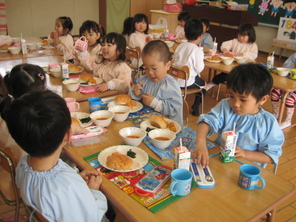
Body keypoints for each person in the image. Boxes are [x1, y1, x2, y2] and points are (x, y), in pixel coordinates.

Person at [5, 90, 111, 221]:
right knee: (113, 207)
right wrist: (92, 191)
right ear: (68, 135)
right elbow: (91, 217)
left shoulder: (22, 164)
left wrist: (75, 179)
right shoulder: (67, 189)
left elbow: (50, 192)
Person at [192, 63, 284, 168]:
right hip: (219, 161)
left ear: (263, 99)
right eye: (231, 96)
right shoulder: (226, 106)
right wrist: (200, 142)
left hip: (244, 169)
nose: (235, 104)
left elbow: (271, 156)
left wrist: (245, 153)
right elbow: (207, 122)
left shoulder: (268, 123)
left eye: (243, 99)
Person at [0, 64, 87, 163]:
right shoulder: (31, 122)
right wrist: (64, 130)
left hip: (21, 164)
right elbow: (48, 145)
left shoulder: (8, 110)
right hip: (37, 162)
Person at [129, 40, 183, 125]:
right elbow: (134, 101)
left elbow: (175, 110)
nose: (150, 72)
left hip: (167, 127)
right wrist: (135, 93)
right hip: (147, 122)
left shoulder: (171, 85)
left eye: (154, 68)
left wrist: (155, 103)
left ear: (167, 65)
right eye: (146, 68)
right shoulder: (143, 80)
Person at [173, 18, 207, 116]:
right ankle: (195, 108)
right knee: (205, 85)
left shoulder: (180, 46)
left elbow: (175, 60)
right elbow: (199, 69)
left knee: (196, 79)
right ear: (200, 36)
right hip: (186, 82)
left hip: (175, 79)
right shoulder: (197, 50)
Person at [207, 23, 258, 89]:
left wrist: (243, 54)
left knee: (237, 77)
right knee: (225, 73)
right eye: (240, 35)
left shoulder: (252, 45)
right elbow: (225, 45)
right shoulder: (235, 41)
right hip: (233, 66)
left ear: (250, 36)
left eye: (244, 36)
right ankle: (212, 83)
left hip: (245, 69)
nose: (241, 37)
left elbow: (254, 55)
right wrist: (226, 50)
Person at [271, 52, 296, 129]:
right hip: (291, 82)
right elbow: (286, 65)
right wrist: (292, 68)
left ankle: (288, 120)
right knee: (275, 92)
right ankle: (276, 113)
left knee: (289, 99)